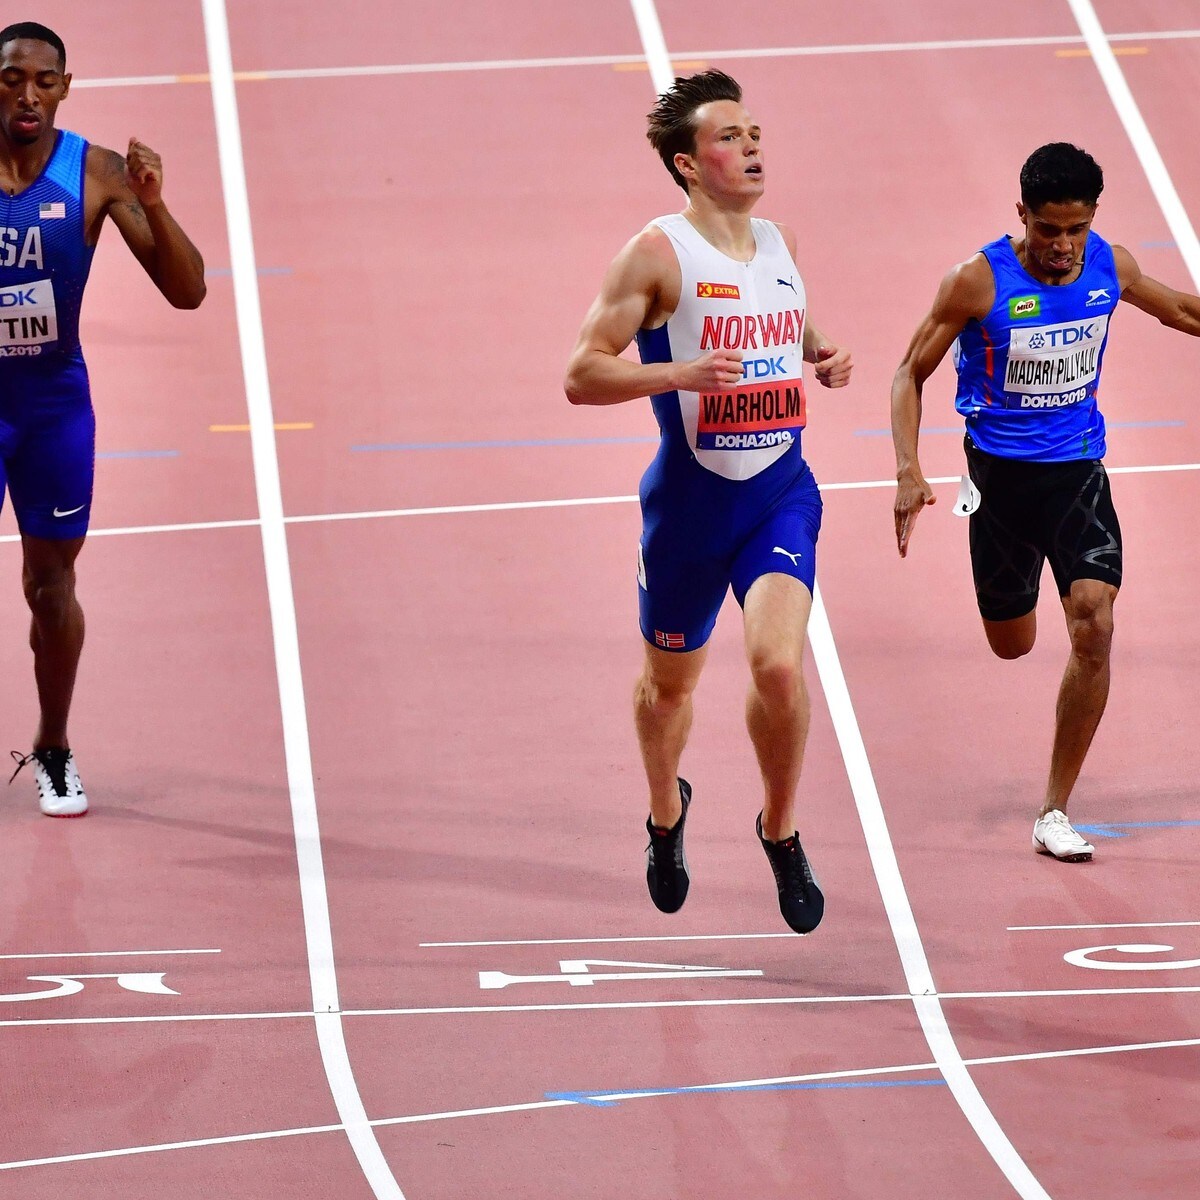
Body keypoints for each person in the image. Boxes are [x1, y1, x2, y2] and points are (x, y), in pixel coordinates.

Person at [564, 70, 852, 933]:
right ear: (689, 164)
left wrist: (824, 354)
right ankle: (665, 813)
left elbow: (789, 325)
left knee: (776, 665)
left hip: (778, 496)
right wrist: (676, 373)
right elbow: (582, 374)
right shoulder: (655, 254)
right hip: (688, 509)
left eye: (755, 131)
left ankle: (781, 829)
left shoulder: (781, 242)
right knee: (666, 690)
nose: (753, 146)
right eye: (731, 137)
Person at [891, 141, 1200, 862]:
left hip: (1076, 473)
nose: (1064, 246)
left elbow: (1183, 309)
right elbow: (909, 372)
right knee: (1013, 644)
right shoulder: (976, 281)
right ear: (1022, 214)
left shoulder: (1108, 266)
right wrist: (907, 470)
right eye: (1049, 229)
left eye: (1078, 229)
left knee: (1093, 624)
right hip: (998, 481)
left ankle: (1055, 809)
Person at [1, 22, 206, 816]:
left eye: (43, 81)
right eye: (12, 78)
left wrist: (156, 205)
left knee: (50, 588)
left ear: (64, 86)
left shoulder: (98, 173)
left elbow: (187, 291)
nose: (27, 95)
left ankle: (53, 748)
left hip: (51, 411)